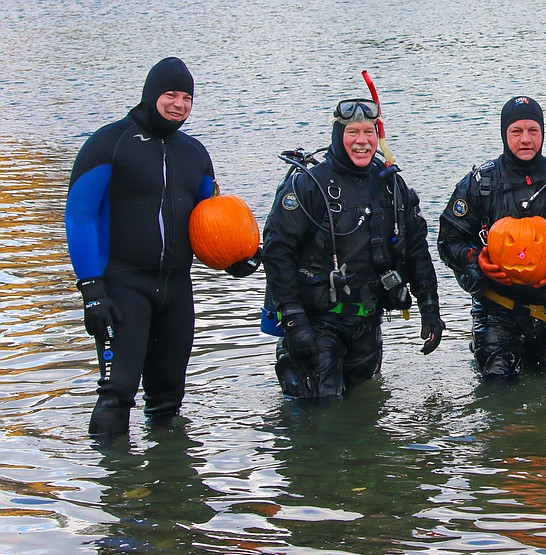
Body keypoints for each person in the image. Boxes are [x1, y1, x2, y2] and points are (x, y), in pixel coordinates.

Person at [65, 57, 261, 437]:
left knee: (168, 401)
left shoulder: (195, 154)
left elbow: (210, 222)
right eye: (171, 94)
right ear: (151, 94)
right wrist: (91, 288)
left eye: (187, 97)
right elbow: (80, 215)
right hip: (122, 286)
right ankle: (114, 487)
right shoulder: (110, 142)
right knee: (115, 395)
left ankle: (168, 488)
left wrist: (236, 260)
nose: (179, 104)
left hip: (175, 289)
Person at [262, 98, 443, 398]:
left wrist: (429, 307)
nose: (362, 141)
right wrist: (294, 322)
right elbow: (276, 253)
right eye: (352, 133)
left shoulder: (391, 185)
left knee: (364, 418)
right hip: (317, 325)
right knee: (320, 417)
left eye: (369, 132)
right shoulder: (309, 186)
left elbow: (416, 250)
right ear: (338, 135)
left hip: (367, 324)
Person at [438, 96, 546, 379]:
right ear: (505, 134)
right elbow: (447, 242)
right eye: (517, 132)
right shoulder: (481, 183)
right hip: (496, 311)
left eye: (533, 131)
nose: (525, 139)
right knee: (496, 392)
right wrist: (475, 260)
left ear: (542, 133)